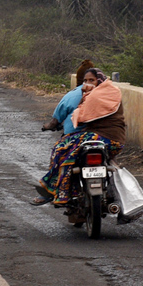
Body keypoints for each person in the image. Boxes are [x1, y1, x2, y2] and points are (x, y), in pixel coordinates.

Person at [31, 67, 126, 223]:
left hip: (103, 137)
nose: (88, 83)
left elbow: (80, 117)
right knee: (71, 149)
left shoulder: (92, 95)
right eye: (86, 80)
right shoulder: (111, 92)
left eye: (92, 80)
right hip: (116, 142)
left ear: (100, 81)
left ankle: (56, 189)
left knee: (62, 149)